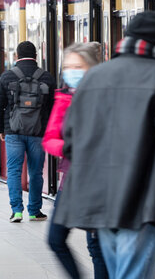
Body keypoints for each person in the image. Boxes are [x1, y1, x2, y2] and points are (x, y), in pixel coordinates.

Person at [53, 12, 155, 279]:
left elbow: (71, 137)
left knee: (118, 270)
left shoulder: (95, 76)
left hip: (101, 200)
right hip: (143, 200)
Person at [43, 42, 108, 279]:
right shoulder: (63, 98)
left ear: (93, 68)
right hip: (71, 180)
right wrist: (68, 147)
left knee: (97, 247)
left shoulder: (107, 97)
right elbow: (49, 138)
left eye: (77, 66)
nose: (71, 71)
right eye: (67, 66)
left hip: (101, 183)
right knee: (55, 239)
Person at [0, 41, 56, 223]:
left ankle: (17, 211)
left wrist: (1, 129)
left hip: (13, 131)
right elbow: (52, 108)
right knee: (35, 172)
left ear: (16, 56)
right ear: (36, 56)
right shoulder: (46, 77)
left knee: (14, 170)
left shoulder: (7, 76)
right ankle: (35, 211)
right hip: (38, 132)